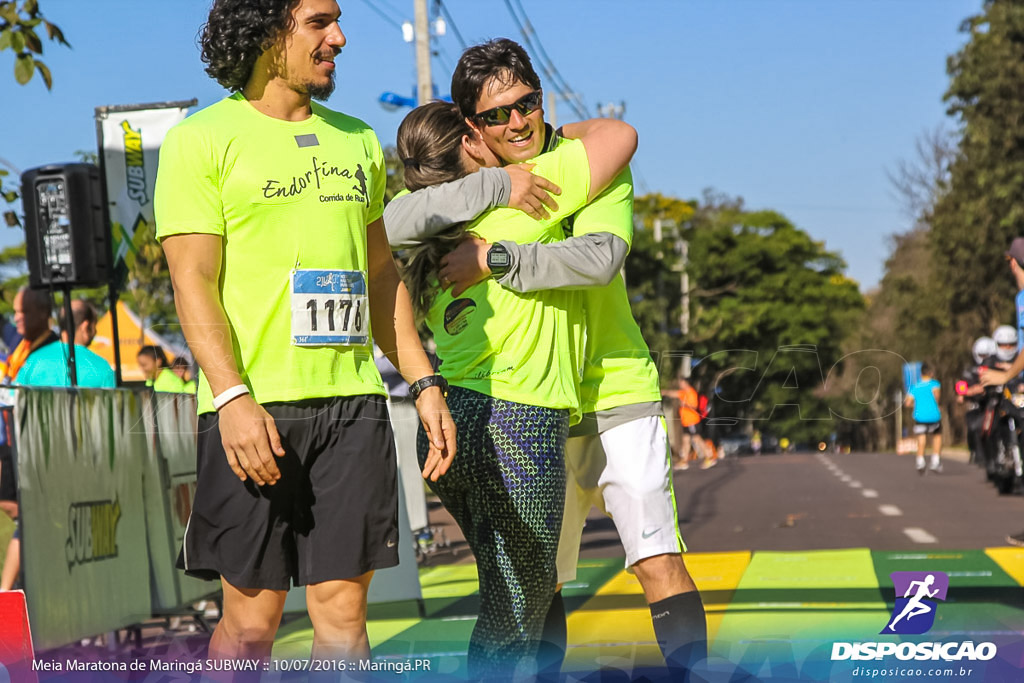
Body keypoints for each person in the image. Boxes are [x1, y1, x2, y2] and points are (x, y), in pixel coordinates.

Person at [384, 38, 707, 678]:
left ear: (542, 99)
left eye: (527, 104)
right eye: (497, 115)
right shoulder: (472, 195)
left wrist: (495, 260)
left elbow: (600, 258)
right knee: (542, 582)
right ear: (471, 127)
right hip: (528, 408)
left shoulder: (583, 165)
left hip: (615, 385)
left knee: (656, 558)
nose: (517, 122)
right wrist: (495, 191)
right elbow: (388, 225)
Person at [154, 0, 456, 667]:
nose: (339, 38)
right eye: (320, 22)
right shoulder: (199, 140)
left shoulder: (354, 141)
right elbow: (193, 281)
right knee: (251, 625)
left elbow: (381, 276)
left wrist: (424, 379)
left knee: (344, 617)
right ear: (267, 31)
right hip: (252, 409)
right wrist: (231, 396)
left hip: (352, 408)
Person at [391, 99, 636, 677]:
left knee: (521, 591)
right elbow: (619, 135)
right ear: (472, 143)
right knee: (513, 611)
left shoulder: (425, 227)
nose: (508, 129)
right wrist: (523, 159)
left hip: (452, 425)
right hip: (516, 426)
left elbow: (390, 219)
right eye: (485, 126)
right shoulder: (527, 198)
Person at [0, 287, 58, 592]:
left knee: (28, 515)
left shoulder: (51, 352)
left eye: (23, 311)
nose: (17, 317)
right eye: (15, 312)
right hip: (13, 441)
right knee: (14, 507)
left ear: (43, 312)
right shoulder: (21, 345)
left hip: (36, 447)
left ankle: (13, 589)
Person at [17, 300, 115, 389]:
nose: (95, 331)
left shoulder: (33, 360)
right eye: (94, 326)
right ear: (85, 326)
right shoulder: (102, 367)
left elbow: (13, 398)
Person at [905, 362, 942, 475]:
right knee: (936, 437)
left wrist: (916, 405)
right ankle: (935, 461)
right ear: (930, 373)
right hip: (933, 415)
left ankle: (920, 461)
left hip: (919, 416)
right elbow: (937, 398)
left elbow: (907, 403)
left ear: (921, 374)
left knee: (921, 438)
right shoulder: (935, 384)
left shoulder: (914, 387)